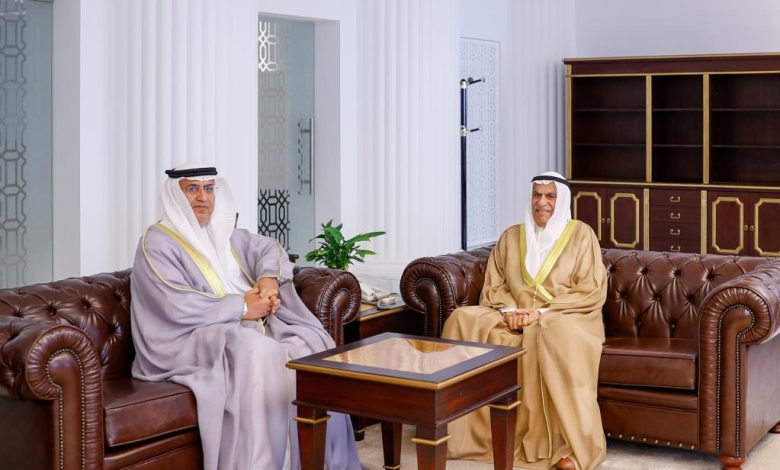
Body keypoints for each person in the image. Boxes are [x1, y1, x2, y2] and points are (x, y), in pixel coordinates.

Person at [130, 162, 362, 470]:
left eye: (209, 189)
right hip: (188, 338)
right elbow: (174, 304)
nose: (203, 197)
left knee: (310, 345)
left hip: (248, 325)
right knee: (258, 351)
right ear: (175, 195)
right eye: (192, 189)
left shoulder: (225, 235)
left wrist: (267, 280)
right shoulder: (156, 242)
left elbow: (271, 250)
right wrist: (242, 307)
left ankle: (318, 463)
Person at [442, 171, 607, 470]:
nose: (542, 202)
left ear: (562, 200)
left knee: (549, 330)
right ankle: (462, 435)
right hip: (512, 315)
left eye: (550, 196)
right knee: (461, 319)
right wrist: (509, 311)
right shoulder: (511, 236)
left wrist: (540, 313)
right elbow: (495, 284)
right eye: (537, 195)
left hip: (565, 316)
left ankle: (571, 447)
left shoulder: (582, 235)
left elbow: (591, 289)